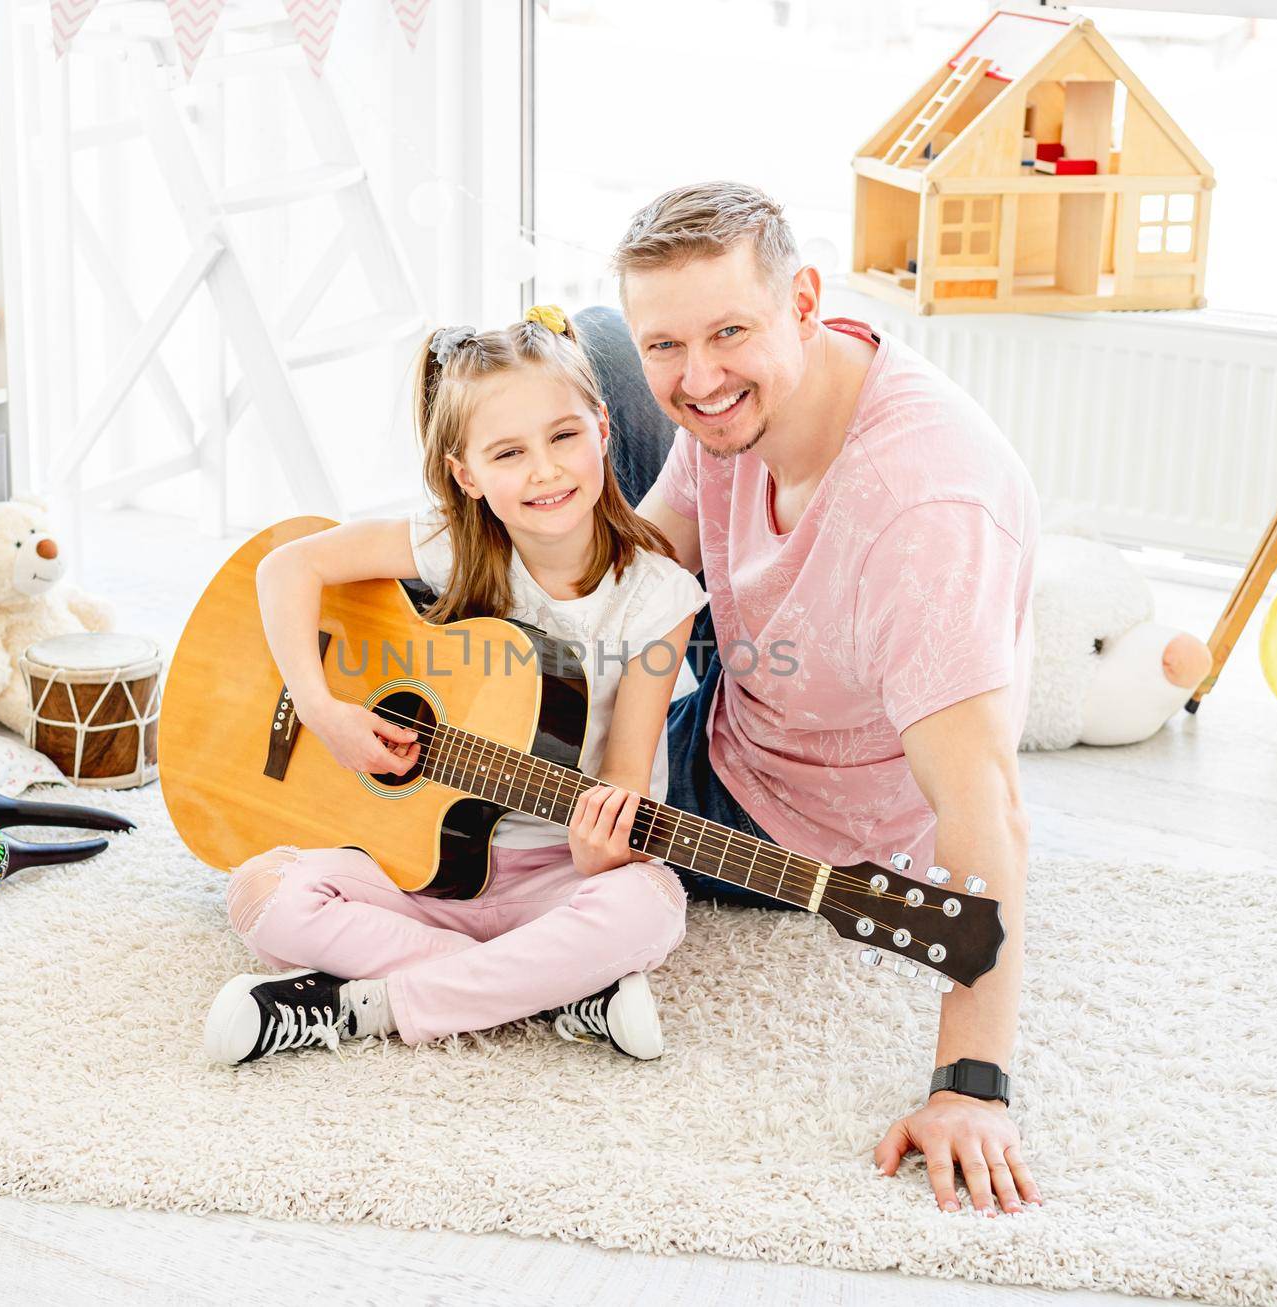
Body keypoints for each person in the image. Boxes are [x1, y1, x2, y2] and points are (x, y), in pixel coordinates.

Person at [609, 182, 1043, 1216]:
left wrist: (969, 1084)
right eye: (665, 342)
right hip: (749, 677)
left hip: (796, 810)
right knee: (545, 373)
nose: (699, 376)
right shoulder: (734, 394)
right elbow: (660, 570)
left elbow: (985, 808)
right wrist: (622, 757)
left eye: (728, 332)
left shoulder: (919, 510)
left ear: (803, 299)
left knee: (493, 789)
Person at [201, 305, 708, 1067]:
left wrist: (604, 849)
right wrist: (322, 708)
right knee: (260, 889)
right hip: (419, 872)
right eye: (508, 452)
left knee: (650, 906)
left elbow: (626, 785)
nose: (544, 470)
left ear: (603, 427)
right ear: (466, 475)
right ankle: (557, 987)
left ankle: (366, 1003)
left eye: (563, 435)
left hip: (557, 873)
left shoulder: (657, 598)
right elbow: (286, 566)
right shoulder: (449, 545)